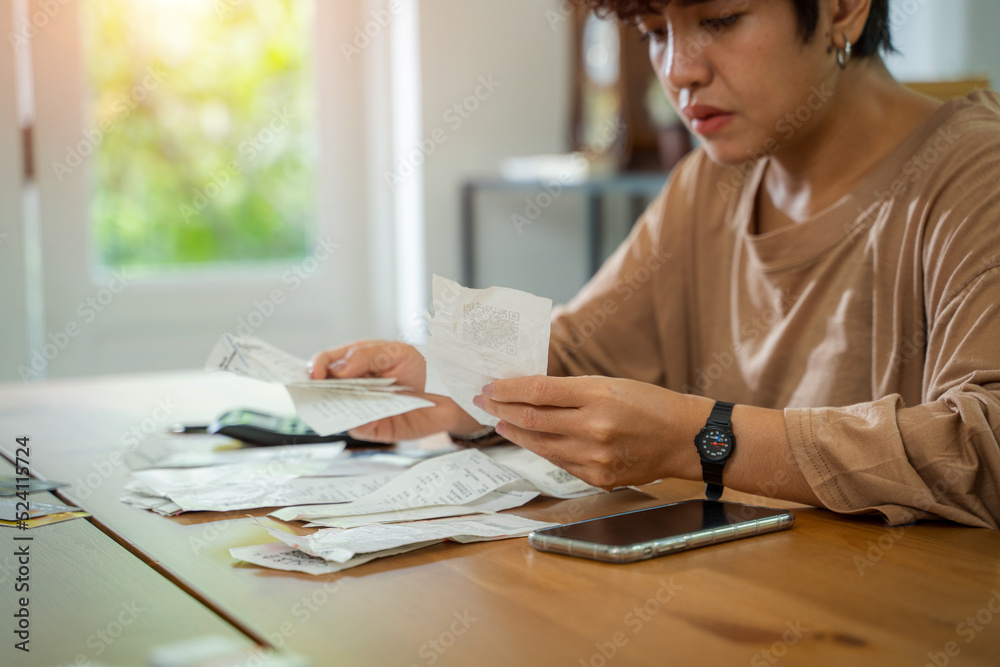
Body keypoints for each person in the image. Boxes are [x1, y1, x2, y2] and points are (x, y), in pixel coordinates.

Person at [311, 0, 1000, 529]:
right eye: (654, 31)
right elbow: (582, 351)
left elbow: (983, 447)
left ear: (845, 7)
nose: (677, 71)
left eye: (720, 20)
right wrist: (446, 384)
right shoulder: (712, 182)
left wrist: (702, 440)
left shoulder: (976, 174)